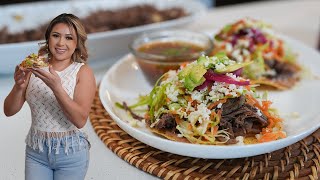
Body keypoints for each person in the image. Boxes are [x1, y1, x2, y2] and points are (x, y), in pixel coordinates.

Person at [3, 13, 96, 180]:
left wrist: (56, 87)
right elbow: (8, 111)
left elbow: (80, 120)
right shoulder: (33, 67)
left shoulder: (83, 72)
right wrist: (19, 87)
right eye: (56, 36)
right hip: (36, 152)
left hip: (71, 153)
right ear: (48, 38)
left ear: (77, 44)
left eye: (69, 38)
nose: (61, 43)